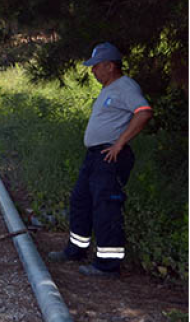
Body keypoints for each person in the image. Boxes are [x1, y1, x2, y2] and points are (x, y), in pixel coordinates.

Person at [48, 42, 153, 278]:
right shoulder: (108, 88)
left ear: (110, 66)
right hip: (94, 157)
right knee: (81, 200)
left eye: (96, 67)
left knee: (106, 207)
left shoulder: (125, 86)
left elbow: (144, 112)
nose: (93, 71)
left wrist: (120, 143)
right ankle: (76, 250)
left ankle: (107, 265)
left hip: (110, 156)